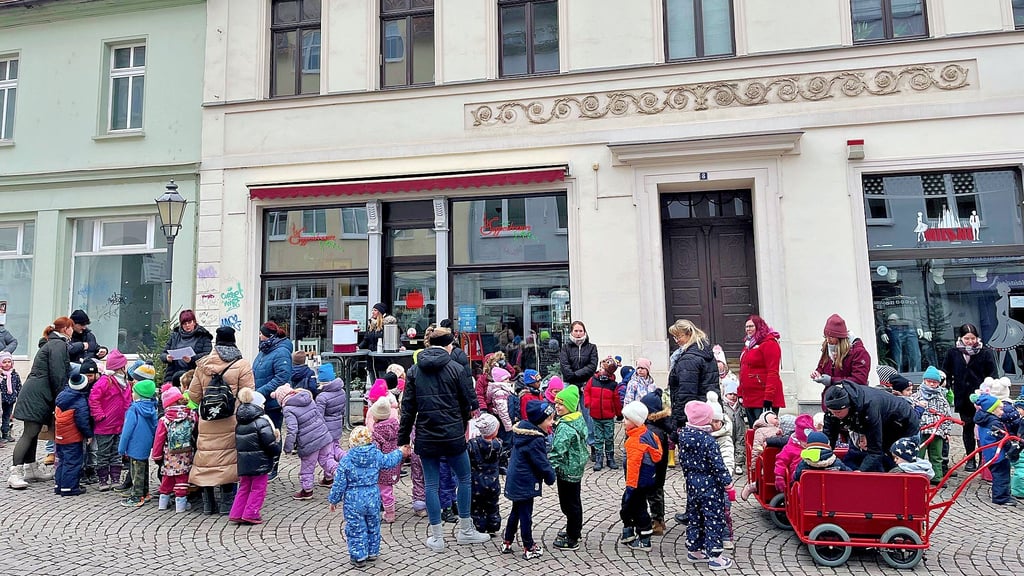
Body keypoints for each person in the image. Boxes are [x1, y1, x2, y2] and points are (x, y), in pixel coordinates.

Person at [397, 326, 490, 552]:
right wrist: (462, 420)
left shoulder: (414, 371)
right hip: (453, 435)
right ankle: (466, 530)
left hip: (426, 435)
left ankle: (437, 537)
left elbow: (408, 408)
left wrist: (403, 440)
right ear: (449, 345)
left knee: (431, 484)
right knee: (465, 478)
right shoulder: (458, 369)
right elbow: (469, 403)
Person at [189, 326, 255, 515]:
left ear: (216, 343)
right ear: (233, 341)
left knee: (206, 458)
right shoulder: (241, 364)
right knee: (227, 460)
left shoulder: (202, 365)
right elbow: (248, 394)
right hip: (231, 420)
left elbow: (193, 396)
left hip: (207, 420)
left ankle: (208, 504)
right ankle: (227, 505)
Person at [328, 426, 408, 567]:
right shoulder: (376, 455)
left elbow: (339, 483)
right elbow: (389, 461)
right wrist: (400, 452)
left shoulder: (347, 460)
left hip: (353, 500)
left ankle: (359, 556)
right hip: (372, 497)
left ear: (352, 442)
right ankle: (373, 552)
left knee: (355, 528)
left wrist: (333, 500)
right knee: (373, 525)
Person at [9, 317, 71, 490]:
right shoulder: (58, 345)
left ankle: (31, 469)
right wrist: (61, 399)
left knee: (33, 432)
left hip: (37, 392)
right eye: (71, 328)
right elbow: (58, 374)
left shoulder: (51, 343)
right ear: (66, 328)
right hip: (38, 395)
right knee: (29, 433)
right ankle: (15, 473)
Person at [678, 399, 734, 570]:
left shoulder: (684, 436)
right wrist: (728, 484)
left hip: (692, 485)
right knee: (713, 518)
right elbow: (718, 465)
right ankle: (715, 556)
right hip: (710, 487)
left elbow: (683, 461)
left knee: (695, 516)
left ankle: (694, 549)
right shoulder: (708, 441)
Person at [500, 400, 556, 560]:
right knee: (525, 515)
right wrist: (550, 476)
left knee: (515, 511)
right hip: (524, 483)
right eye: (549, 419)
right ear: (539, 421)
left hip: (516, 480)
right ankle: (528, 546)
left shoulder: (522, 433)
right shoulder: (534, 440)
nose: (552, 422)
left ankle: (507, 541)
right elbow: (541, 463)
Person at [822, 382, 920, 473]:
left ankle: (892, 485)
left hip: (902, 423)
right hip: (879, 420)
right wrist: (822, 459)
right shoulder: (833, 411)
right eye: (831, 411)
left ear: (848, 406)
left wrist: (861, 472)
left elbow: (875, 450)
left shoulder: (869, 407)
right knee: (863, 453)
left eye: (838, 412)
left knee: (894, 457)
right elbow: (828, 438)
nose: (834, 415)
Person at [942, 323, 998, 472]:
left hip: (982, 396)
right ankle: (970, 459)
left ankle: (983, 459)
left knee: (983, 428)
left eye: (973, 338)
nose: (970, 341)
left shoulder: (985, 352)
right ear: (961, 338)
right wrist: (946, 387)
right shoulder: (953, 352)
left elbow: (993, 374)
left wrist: (991, 390)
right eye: (967, 339)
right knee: (967, 427)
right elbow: (946, 372)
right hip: (963, 396)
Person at [276, 385, 336, 501]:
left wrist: (288, 448)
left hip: (308, 441)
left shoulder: (288, 409)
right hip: (323, 434)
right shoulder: (309, 398)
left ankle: (307, 490)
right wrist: (324, 431)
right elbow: (320, 416)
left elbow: (292, 430)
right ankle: (335, 476)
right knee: (327, 459)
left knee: (308, 466)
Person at [618, 400, 663, 553]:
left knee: (637, 508)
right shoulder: (649, 434)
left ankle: (644, 538)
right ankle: (629, 530)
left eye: (626, 419)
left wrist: (630, 487)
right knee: (632, 506)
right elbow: (657, 454)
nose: (623, 422)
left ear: (636, 421)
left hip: (636, 482)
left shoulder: (634, 441)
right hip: (647, 480)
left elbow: (633, 467)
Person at [231, 388, 281, 524]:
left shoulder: (240, 422)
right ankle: (251, 513)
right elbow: (269, 443)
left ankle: (236, 512)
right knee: (258, 488)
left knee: (244, 487)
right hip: (260, 462)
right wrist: (276, 450)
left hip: (244, 462)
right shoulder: (261, 422)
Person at [548, 385, 588, 551]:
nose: (557, 406)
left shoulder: (565, 427)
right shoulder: (577, 419)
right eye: (556, 403)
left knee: (569, 504)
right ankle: (574, 530)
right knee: (574, 502)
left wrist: (548, 469)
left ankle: (572, 537)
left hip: (567, 470)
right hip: (575, 469)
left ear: (570, 406)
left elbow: (558, 451)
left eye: (561, 404)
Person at [88, 348, 131, 491]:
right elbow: (94, 399)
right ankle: (103, 480)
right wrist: (100, 416)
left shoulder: (124, 382)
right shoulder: (106, 381)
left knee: (117, 453)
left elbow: (128, 401)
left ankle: (115, 478)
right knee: (103, 453)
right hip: (105, 425)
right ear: (120, 367)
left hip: (120, 424)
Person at [150, 386, 197, 512]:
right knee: (182, 478)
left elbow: (159, 439)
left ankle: (162, 504)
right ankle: (181, 506)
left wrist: (156, 456)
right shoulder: (191, 414)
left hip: (169, 454)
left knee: (167, 478)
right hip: (186, 453)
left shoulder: (164, 420)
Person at [738, 315, 784, 427]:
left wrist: (768, 397)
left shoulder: (770, 343)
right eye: (746, 327)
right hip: (750, 398)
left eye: (751, 326)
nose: (748, 329)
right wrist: (740, 393)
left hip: (763, 397)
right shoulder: (748, 345)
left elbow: (773, 372)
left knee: (765, 431)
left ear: (758, 326)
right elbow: (743, 371)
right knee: (753, 431)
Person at [117, 379, 158, 507]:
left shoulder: (133, 410)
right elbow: (155, 427)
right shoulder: (152, 408)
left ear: (139, 395)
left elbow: (127, 431)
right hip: (145, 445)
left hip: (134, 445)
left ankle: (137, 496)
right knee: (144, 469)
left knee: (136, 473)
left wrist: (121, 448)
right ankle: (145, 493)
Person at [811, 314, 871, 397]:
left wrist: (832, 380)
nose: (828, 340)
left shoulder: (859, 353)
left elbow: (859, 380)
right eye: (826, 337)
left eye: (831, 337)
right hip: (832, 398)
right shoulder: (828, 348)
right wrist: (818, 373)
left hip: (852, 399)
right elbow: (822, 365)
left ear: (840, 338)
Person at [53, 373, 93, 496]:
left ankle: (59, 485)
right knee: (73, 462)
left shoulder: (62, 396)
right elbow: (82, 422)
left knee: (62, 460)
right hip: (72, 437)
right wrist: (89, 434)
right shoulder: (79, 401)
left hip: (60, 435)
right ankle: (69, 488)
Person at [638, 389, 671, 536]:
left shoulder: (652, 430)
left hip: (653, 468)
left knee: (653, 493)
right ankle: (659, 520)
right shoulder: (660, 426)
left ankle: (657, 522)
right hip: (659, 468)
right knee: (657, 491)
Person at [912, 366, 952, 483]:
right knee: (919, 454)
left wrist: (946, 431)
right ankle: (918, 477)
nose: (932, 384)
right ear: (924, 381)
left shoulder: (941, 399)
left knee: (936, 455)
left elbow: (947, 416)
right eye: (929, 381)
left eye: (935, 382)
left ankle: (937, 477)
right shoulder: (916, 396)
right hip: (921, 430)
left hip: (937, 431)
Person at [974, 394, 1015, 505]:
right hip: (998, 454)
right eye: (1000, 409)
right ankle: (1000, 498)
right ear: (992, 410)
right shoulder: (994, 423)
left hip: (990, 453)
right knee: (1001, 475)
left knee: (999, 474)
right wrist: (1011, 449)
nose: (1002, 412)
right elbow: (1003, 438)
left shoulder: (984, 419)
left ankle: (1005, 495)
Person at [466, 413, 503, 536]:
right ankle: (493, 526)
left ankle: (479, 527)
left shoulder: (472, 444)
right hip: (493, 483)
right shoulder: (498, 444)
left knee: (476, 506)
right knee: (492, 505)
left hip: (476, 482)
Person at [585, 357, 621, 471]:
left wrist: (619, 413)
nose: (601, 371)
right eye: (601, 368)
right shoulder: (593, 380)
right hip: (596, 415)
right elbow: (587, 391)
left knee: (609, 437)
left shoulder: (613, 384)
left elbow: (616, 399)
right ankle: (599, 458)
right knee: (598, 438)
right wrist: (588, 402)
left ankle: (610, 458)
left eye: (604, 369)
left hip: (608, 416)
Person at [160, 310, 213, 386]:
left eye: (189, 322)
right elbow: (163, 354)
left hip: (193, 375)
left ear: (194, 322)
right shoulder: (175, 336)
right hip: (173, 375)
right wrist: (167, 357)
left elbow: (207, 355)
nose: (187, 325)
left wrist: (192, 359)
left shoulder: (203, 336)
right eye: (184, 324)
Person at [369, 396, 401, 523]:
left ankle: (389, 513)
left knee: (384, 490)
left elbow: (375, 450)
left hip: (382, 466)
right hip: (394, 463)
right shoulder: (395, 427)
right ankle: (388, 507)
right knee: (388, 488)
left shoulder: (376, 432)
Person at [740, 411, 782, 501]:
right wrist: (754, 464)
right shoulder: (760, 431)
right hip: (766, 458)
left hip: (778, 457)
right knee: (765, 472)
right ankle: (753, 486)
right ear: (767, 420)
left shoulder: (780, 429)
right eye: (775, 418)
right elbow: (756, 448)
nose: (777, 419)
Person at [774, 413, 815, 492]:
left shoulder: (814, 447)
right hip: (795, 478)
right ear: (798, 439)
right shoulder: (790, 448)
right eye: (804, 442)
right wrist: (779, 476)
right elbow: (780, 461)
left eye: (809, 442)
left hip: (812, 476)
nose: (807, 444)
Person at [315, 363, 348, 445]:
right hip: (337, 425)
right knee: (335, 447)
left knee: (327, 453)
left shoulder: (322, 397)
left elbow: (319, 416)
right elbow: (343, 409)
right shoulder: (342, 392)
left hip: (326, 429)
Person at [721, 374, 746, 475]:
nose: (732, 396)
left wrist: (743, 403)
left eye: (735, 394)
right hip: (728, 430)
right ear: (726, 395)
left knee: (740, 443)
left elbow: (744, 413)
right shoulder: (723, 405)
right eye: (730, 394)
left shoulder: (740, 406)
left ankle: (739, 463)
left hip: (739, 429)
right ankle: (727, 463)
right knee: (728, 445)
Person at [0, 351, 23, 444]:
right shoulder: (1, 375)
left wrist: (20, 396)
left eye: (9, 362)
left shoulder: (14, 374)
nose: (7, 364)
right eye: (4, 362)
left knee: (7, 417)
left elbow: (18, 386)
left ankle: (6, 433)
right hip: (1, 400)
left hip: (10, 399)